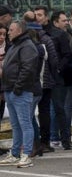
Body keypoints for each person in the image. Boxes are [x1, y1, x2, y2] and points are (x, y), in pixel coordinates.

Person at [0, 19, 43, 168]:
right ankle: (15, 153)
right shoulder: (15, 45)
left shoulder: (27, 46)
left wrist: (18, 87)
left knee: (25, 123)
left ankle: (27, 154)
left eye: (11, 30)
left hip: (20, 91)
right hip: (10, 90)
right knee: (16, 124)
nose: (8, 33)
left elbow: (28, 69)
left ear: (19, 31)